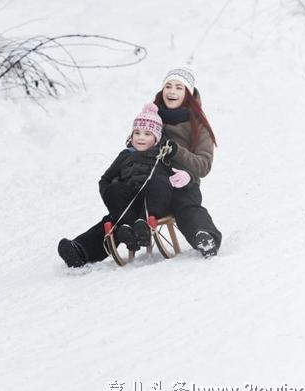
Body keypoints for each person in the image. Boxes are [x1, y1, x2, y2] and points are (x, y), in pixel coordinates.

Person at [58, 67, 222, 267]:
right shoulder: (151, 117)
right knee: (124, 211)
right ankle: (82, 250)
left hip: (181, 186)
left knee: (187, 209)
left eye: (179, 88)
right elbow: (134, 150)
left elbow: (204, 165)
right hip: (149, 184)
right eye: (168, 86)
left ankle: (205, 237)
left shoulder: (197, 125)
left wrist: (178, 153)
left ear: (187, 93)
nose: (172, 92)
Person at [97, 103, 191, 253]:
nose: (141, 138)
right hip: (130, 204)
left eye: (147, 134)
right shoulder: (125, 155)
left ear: (156, 138)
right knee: (114, 189)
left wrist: (185, 177)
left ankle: (144, 224)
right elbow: (105, 179)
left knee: (158, 181)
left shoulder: (162, 154)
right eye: (137, 133)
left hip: (155, 202)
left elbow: (178, 171)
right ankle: (127, 229)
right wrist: (109, 195)